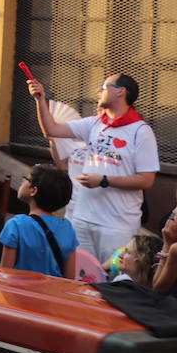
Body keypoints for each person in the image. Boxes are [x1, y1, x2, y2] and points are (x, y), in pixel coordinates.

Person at [26, 72, 159, 263]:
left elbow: (147, 180)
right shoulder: (95, 123)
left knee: (111, 282)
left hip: (117, 225)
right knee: (79, 279)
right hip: (81, 219)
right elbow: (52, 130)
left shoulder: (141, 131)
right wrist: (40, 100)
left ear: (121, 92)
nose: (99, 90)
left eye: (104, 87)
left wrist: (104, 181)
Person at [0, 164, 78, 277]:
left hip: (19, 293)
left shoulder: (16, 225)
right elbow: (70, 279)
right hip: (52, 294)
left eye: (26, 179)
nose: (23, 181)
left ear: (33, 190)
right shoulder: (67, 228)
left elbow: (5, 274)